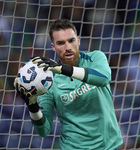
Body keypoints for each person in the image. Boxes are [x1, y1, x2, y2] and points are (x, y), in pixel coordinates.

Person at [14, 19, 123, 150]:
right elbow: (44, 130)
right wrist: (32, 105)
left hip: (108, 146)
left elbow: (104, 78)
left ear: (78, 40)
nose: (68, 47)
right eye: (61, 43)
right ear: (53, 46)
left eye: (71, 40)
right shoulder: (47, 81)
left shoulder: (95, 58)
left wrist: (62, 69)